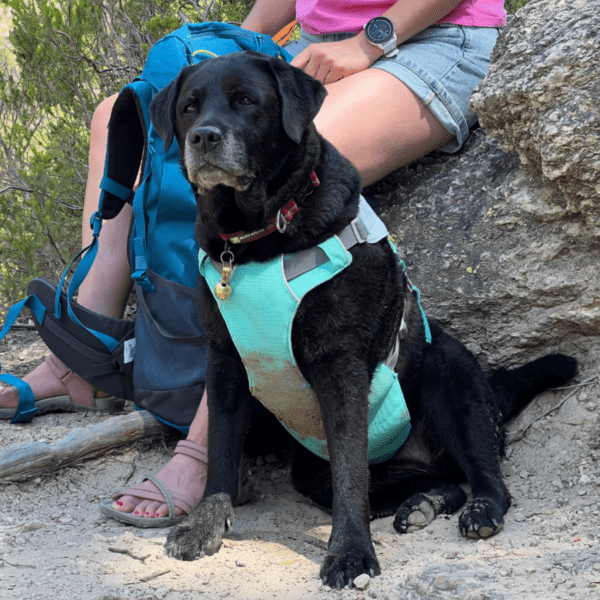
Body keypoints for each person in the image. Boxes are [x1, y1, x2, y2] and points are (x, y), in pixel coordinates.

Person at [0, 0, 506, 524]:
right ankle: (82, 362)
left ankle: (204, 457)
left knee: (288, 143)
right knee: (119, 116)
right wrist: (223, 57)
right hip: (313, 42)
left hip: (426, 36)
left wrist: (367, 43)